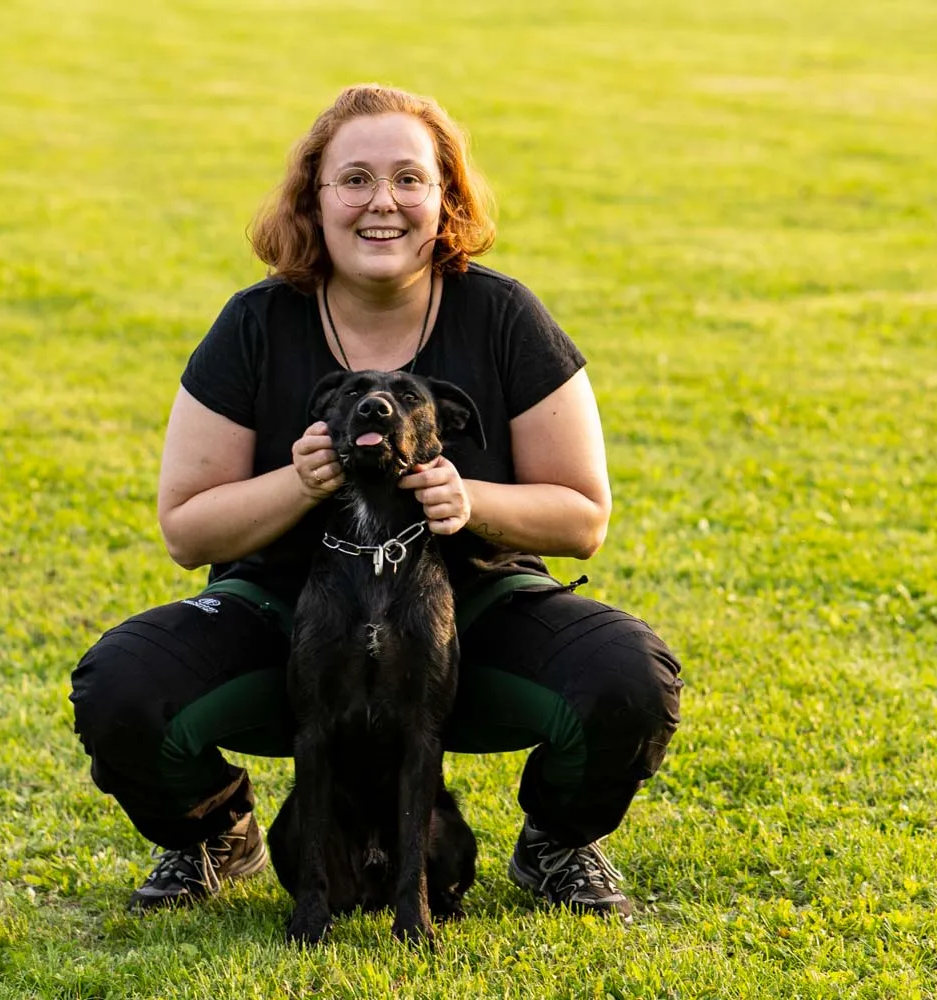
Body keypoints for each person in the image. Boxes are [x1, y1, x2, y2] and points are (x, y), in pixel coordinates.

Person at [69, 84, 683, 921]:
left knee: (628, 678)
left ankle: (558, 841)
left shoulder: (503, 315)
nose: (381, 202)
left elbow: (584, 516)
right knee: (122, 686)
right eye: (353, 180)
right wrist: (299, 482)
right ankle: (214, 830)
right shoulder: (255, 324)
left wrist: (469, 500)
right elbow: (185, 526)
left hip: (472, 610)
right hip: (287, 615)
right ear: (312, 200)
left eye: (410, 179)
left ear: (446, 200)